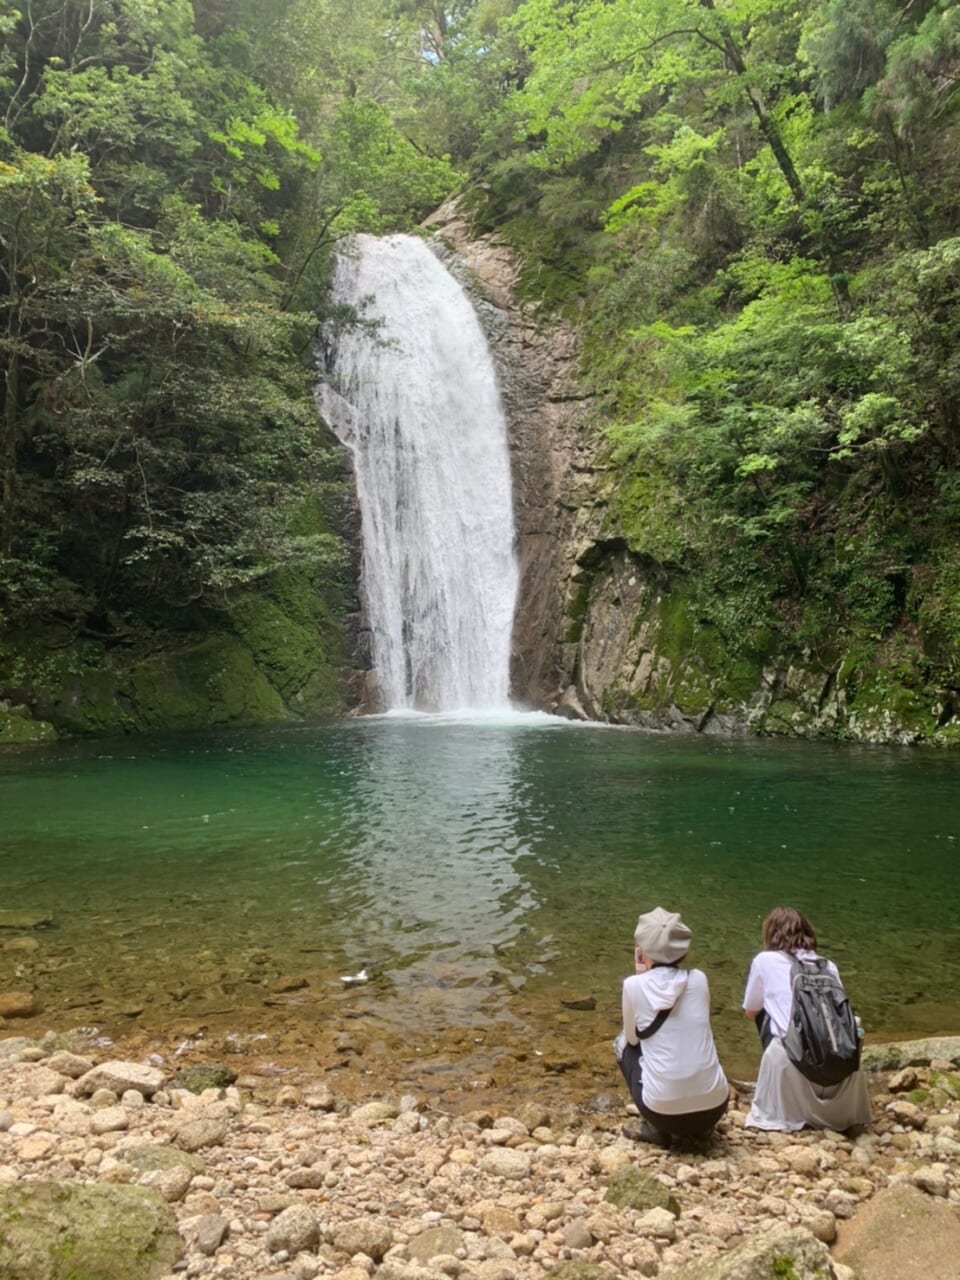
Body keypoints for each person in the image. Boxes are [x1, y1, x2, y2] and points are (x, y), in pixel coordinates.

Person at [742, 906, 871, 1131]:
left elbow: (750, 1011)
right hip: (840, 1064)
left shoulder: (765, 960)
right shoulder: (828, 965)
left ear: (771, 935)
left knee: (765, 1011)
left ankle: (777, 1094)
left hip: (796, 1062)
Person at [615, 906, 729, 1147]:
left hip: (663, 1113)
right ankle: (699, 1127)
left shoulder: (632, 986)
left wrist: (639, 974)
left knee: (621, 1044)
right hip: (715, 1108)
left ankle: (654, 1127)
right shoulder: (699, 979)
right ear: (684, 954)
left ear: (642, 952)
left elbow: (633, 1040)